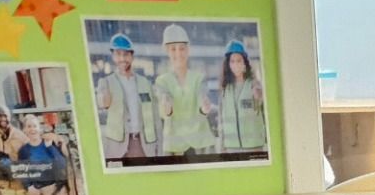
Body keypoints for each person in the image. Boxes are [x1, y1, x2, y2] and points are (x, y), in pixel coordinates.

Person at [96, 32, 160, 162]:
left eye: (125, 54)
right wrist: (104, 95)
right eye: (118, 54)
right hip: (116, 146)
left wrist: (158, 147)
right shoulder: (106, 82)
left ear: (132, 56)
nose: (122, 59)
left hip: (142, 145)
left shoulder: (145, 83)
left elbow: (155, 116)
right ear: (113, 56)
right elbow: (103, 103)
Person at [155, 23, 214, 157]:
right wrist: (167, 107)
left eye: (182, 48)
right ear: (167, 51)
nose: (178, 53)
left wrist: (204, 107)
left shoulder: (199, 78)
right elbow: (165, 110)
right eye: (173, 49)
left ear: (188, 50)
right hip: (175, 148)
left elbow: (202, 98)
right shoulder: (162, 81)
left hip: (200, 146)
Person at [14, 114, 73, 195]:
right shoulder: (23, 151)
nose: (32, 129)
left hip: (56, 191)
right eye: (29, 126)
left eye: (34, 126)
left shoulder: (49, 143)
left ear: (39, 128)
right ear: (24, 130)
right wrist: (29, 187)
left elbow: (61, 164)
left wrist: (50, 147)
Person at [217, 39, 266, 153]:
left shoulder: (254, 85)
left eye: (239, 60)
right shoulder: (225, 89)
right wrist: (222, 149)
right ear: (228, 64)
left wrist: (259, 95)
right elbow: (221, 122)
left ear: (245, 62)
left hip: (254, 148)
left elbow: (263, 106)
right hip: (231, 149)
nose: (235, 65)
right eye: (232, 61)